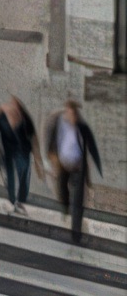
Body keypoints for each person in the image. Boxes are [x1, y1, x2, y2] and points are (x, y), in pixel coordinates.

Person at [46, 99, 104, 243]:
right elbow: (51, 143)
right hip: (63, 165)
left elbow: (92, 146)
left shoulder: (82, 127)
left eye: (75, 114)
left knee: (78, 200)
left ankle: (76, 232)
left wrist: (98, 168)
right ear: (67, 113)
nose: (73, 117)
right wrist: (52, 161)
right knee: (63, 190)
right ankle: (65, 206)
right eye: (71, 113)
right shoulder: (59, 123)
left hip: (78, 167)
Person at [0, 96, 41, 215]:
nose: (12, 107)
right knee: (12, 174)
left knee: (23, 174)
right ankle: (13, 200)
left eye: (15, 106)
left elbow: (33, 138)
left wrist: (37, 159)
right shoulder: (3, 116)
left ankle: (20, 199)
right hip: (9, 150)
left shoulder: (24, 120)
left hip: (22, 151)